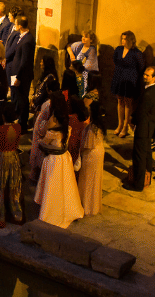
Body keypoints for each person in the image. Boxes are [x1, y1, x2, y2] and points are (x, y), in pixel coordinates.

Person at [34, 92, 84, 229]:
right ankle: (69, 209)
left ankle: (50, 213)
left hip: (53, 161)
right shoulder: (67, 124)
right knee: (65, 186)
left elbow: (43, 140)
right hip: (65, 159)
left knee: (53, 187)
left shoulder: (52, 128)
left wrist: (40, 139)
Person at [0, 105, 24, 228]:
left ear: (3, 116)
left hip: (0, 157)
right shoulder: (18, 127)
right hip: (13, 157)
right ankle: (16, 213)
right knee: (14, 185)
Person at [127, 66, 155, 191]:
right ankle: (147, 179)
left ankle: (138, 184)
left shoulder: (149, 93)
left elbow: (141, 112)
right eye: (144, 74)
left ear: (154, 78)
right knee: (146, 153)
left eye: (147, 75)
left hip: (143, 128)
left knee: (139, 155)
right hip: (148, 127)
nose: (144, 76)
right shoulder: (152, 90)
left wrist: (132, 121)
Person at [111, 30, 145, 138]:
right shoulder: (118, 49)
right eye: (122, 38)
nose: (123, 40)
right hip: (119, 78)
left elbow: (141, 67)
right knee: (119, 100)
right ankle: (120, 124)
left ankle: (125, 126)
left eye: (125, 39)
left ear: (130, 40)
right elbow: (115, 61)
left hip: (130, 81)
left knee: (127, 103)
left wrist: (131, 75)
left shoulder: (136, 53)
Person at [4, 16, 34, 131]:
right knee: (16, 97)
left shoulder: (27, 41)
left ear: (20, 26)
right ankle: (17, 118)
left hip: (20, 76)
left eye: (16, 24)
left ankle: (22, 124)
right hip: (15, 73)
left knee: (22, 99)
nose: (14, 25)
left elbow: (25, 62)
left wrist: (18, 77)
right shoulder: (23, 37)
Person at [78, 99, 106, 216]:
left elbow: (87, 145)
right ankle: (94, 206)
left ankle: (87, 207)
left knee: (88, 180)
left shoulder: (92, 128)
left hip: (91, 155)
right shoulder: (101, 125)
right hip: (99, 152)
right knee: (96, 179)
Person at [28, 78, 57, 185]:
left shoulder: (48, 104)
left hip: (43, 131)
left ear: (48, 90)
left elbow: (42, 119)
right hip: (46, 130)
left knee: (38, 154)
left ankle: (36, 175)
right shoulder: (55, 102)